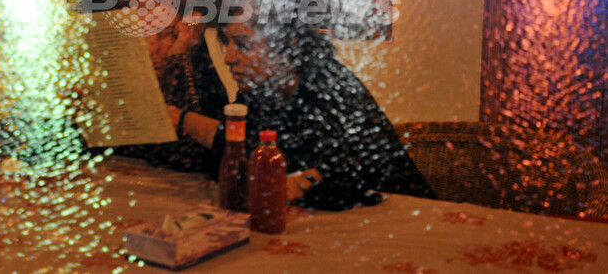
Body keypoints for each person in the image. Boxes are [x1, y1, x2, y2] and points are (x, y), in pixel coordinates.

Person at [168, 17, 436, 211]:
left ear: (288, 47)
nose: (229, 58)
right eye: (228, 44)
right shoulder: (258, 89)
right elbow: (244, 150)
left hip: (399, 213)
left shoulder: (330, 85)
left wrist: (186, 122)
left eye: (244, 45)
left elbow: (346, 175)